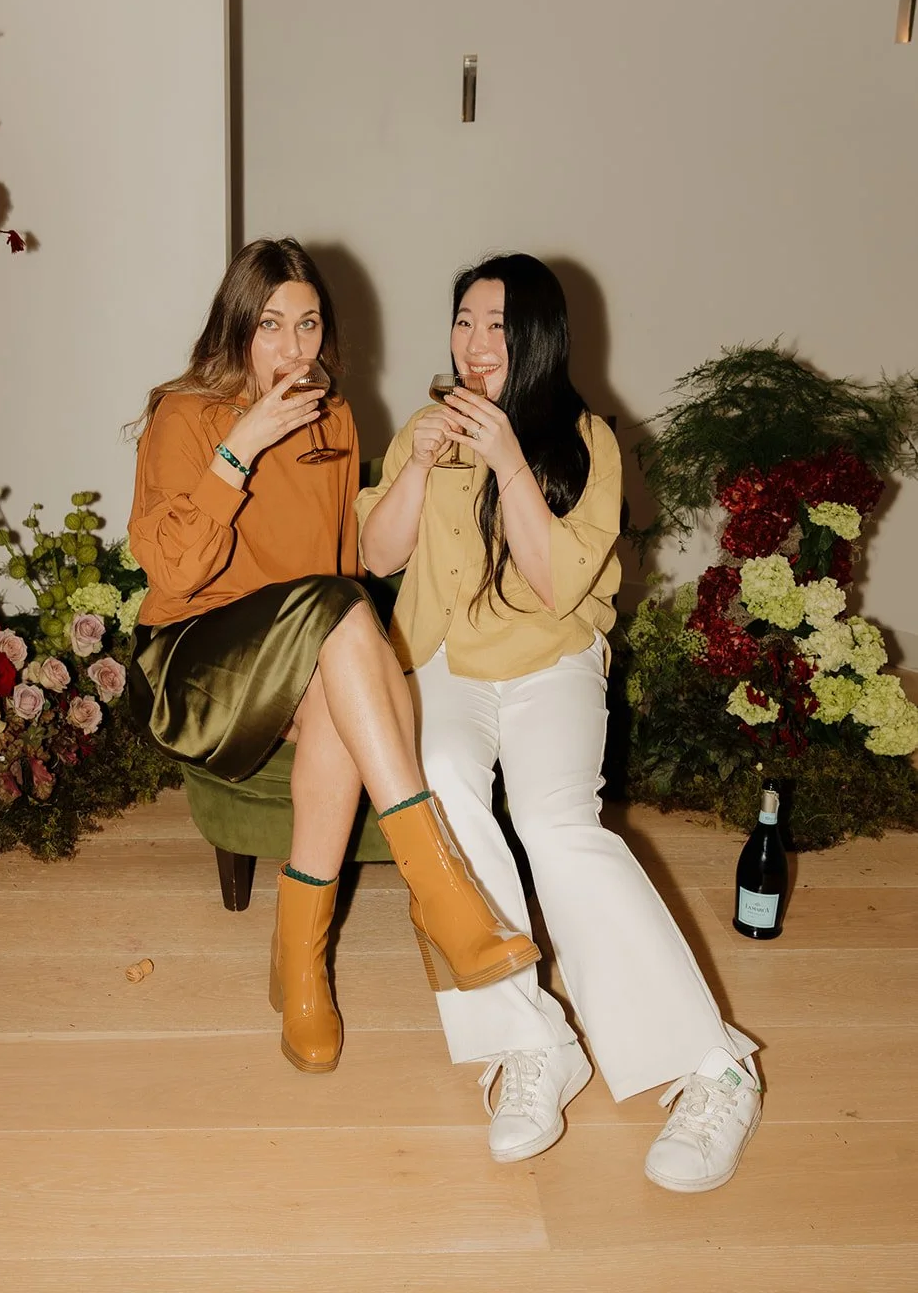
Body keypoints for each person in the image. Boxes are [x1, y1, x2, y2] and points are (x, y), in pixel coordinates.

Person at [356, 252, 762, 1192]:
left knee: (554, 826)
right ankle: (531, 1043)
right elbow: (377, 553)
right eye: (462, 320)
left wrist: (505, 459)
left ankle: (713, 1069)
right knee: (441, 797)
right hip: (443, 661)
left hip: (550, 658)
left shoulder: (584, 440)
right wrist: (417, 466)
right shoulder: (422, 426)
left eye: (496, 324)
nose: (473, 342)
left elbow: (551, 584)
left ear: (535, 336)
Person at [126, 237, 539, 1077]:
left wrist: (422, 478)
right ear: (236, 327)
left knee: (338, 665)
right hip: (192, 667)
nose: (293, 348)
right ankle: (443, 890)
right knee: (337, 614)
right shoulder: (184, 415)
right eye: (271, 325)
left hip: (300, 655)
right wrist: (238, 447)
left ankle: (300, 968)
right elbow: (172, 571)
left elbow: (349, 559)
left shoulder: (334, 418)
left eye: (308, 325)